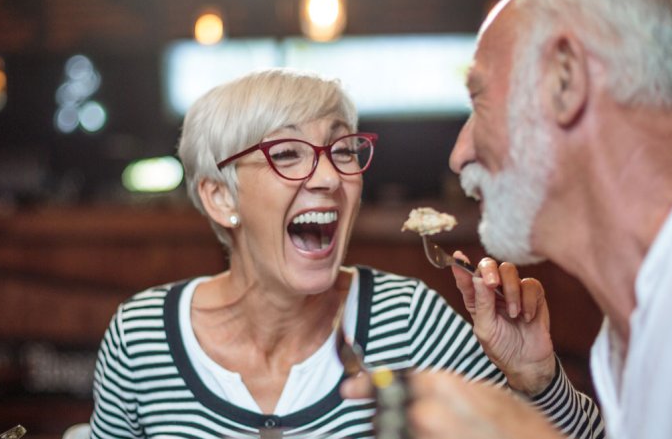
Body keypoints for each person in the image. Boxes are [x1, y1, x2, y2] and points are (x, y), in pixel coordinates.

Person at [342, 0, 672, 437]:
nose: (459, 155)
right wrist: (540, 386)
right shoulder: (626, 332)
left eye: (479, 99)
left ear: (566, 80)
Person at [89, 68, 603, 438]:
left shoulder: (409, 323)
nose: (331, 177)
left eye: (342, 150)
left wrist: (536, 380)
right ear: (220, 197)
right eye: (287, 153)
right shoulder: (142, 340)